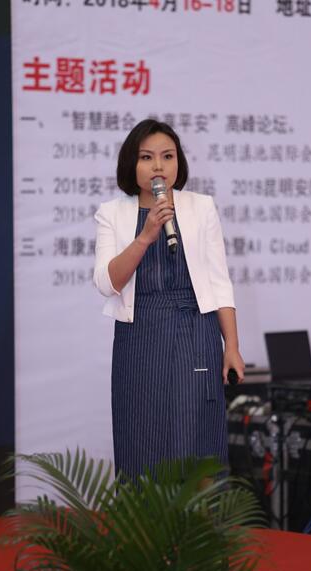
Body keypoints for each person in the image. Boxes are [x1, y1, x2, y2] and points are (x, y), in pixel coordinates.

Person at [94, 119, 244, 481]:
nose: (158, 166)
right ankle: (144, 518)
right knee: (141, 434)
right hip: (139, 335)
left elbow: (219, 282)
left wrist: (232, 346)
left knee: (194, 434)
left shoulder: (201, 207)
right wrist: (145, 236)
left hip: (195, 332)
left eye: (167, 156)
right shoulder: (112, 213)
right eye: (147, 157)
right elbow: (107, 283)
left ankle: (199, 517)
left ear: (179, 162)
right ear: (131, 164)